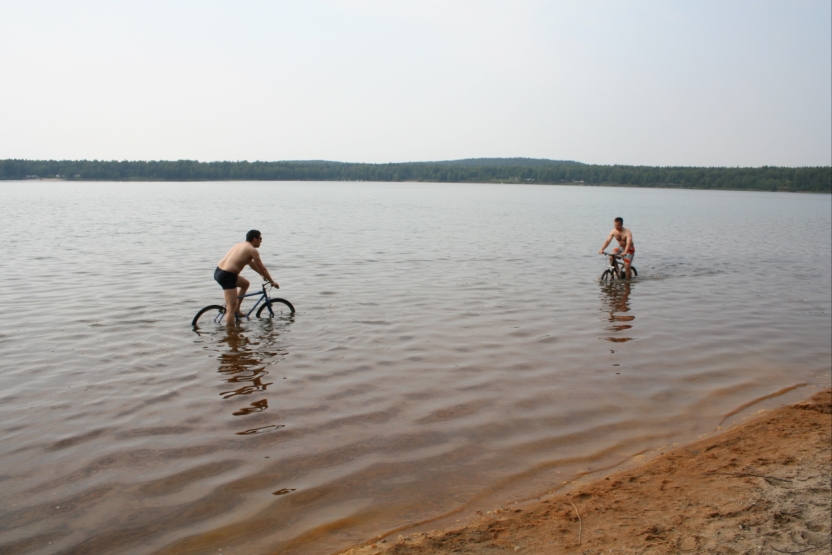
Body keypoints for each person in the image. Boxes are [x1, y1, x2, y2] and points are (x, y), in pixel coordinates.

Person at [214, 230, 278, 325]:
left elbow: (250, 263)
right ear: (255, 239)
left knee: (245, 284)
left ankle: (237, 310)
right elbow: (263, 268)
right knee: (230, 309)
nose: (261, 241)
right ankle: (231, 333)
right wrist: (272, 281)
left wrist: (261, 274)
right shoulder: (252, 250)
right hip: (227, 276)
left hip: (219, 271)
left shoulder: (241, 245)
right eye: (260, 238)